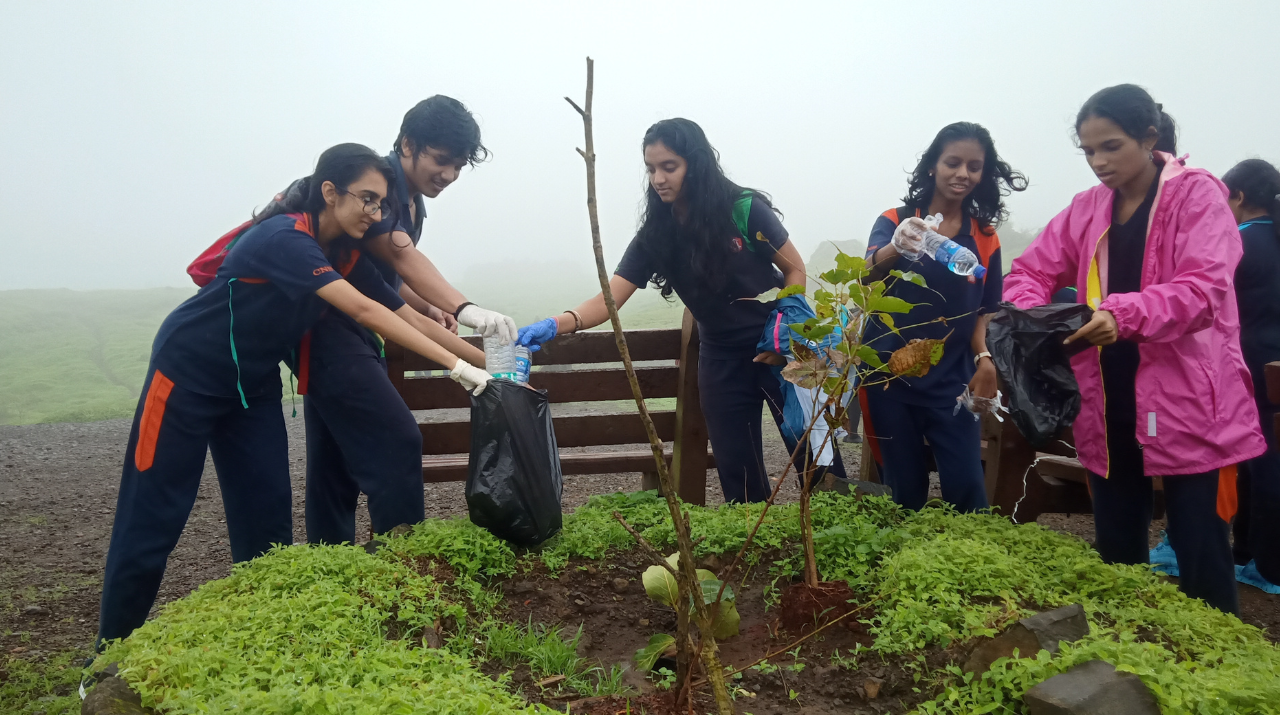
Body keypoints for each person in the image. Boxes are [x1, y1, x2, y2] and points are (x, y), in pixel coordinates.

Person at [97, 144, 492, 645]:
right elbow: (370, 316)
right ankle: (106, 653)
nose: (374, 214)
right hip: (186, 376)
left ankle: (272, 640)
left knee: (267, 528)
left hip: (253, 389)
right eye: (366, 200)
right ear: (329, 191)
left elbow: (406, 314)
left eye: (381, 204)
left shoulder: (344, 251)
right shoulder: (284, 238)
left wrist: (489, 362)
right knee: (152, 519)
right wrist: (457, 367)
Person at [1004, 84, 1266, 615]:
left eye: (1112, 146)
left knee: (1200, 546)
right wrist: (1039, 314)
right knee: (1117, 544)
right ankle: (1123, 652)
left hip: (1188, 397)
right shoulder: (1087, 208)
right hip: (1107, 396)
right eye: (1088, 151)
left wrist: (1119, 316)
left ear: (1149, 138)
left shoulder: (1197, 196)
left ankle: (1219, 668)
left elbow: (1204, 291)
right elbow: (1029, 270)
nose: (1099, 162)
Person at [516, 118, 841, 503]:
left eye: (669, 167)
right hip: (720, 361)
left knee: (817, 461)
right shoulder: (657, 233)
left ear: (696, 163)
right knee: (739, 476)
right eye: (651, 169)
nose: (658, 178)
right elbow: (609, 299)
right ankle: (757, 552)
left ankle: (833, 546)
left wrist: (782, 337)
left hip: (780, 352)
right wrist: (556, 324)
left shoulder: (744, 209)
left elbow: (794, 268)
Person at [300, 97, 514, 546]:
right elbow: (400, 255)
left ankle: (329, 564)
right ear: (406, 144)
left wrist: (427, 304)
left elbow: (384, 277)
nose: (449, 175)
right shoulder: (376, 190)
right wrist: (464, 309)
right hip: (329, 329)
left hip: (359, 327)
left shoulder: (413, 201)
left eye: (458, 166)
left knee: (333, 462)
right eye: (441, 161)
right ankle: (402, 563)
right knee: (398, 440)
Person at [861, 122, 1026, 513]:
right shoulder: (896, 219)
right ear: (933, 166)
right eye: (953, 162)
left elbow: (984, 309)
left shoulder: (984, 237)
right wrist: (897, 246)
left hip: (951, 380)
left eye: (973, 166)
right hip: (888, 377)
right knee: (904, 494)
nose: (962, 174)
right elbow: (867, 272)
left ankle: (970, 568)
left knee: (967, 488)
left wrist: (984, 359)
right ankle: (902, 570)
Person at [1223, 158, 1280, 586]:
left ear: (1239, 197)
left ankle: (1265, 563)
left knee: (1259, 462)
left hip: (1249, 367)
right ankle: (1246, 552)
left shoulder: (1238, 242)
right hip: (1276, 366)